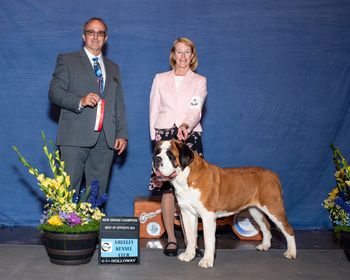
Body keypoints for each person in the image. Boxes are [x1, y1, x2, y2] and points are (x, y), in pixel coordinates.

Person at [49, 17, 128, 197]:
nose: (95, 36)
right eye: (91, 32)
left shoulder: (114, 68)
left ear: (105, 38)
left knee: (97, 194)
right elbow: (54, 93)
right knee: (67, 192)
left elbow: (118, 102)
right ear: (83, 36)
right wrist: (80, 100)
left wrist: (122, 133)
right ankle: (66, 224)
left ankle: (92, 225)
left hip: (105, 139)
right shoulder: (67, 60)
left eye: (100, 33)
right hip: (74, 136)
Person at [149, 37, 207, 257]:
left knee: (192, 190)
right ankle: (172, 240)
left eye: (187, 52)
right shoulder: (160, 78)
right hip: (163, 135)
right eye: (179, 52)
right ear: (173, 54)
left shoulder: (199, 81)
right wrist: (154, 137)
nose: (183, 56)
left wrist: (186, 125)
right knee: (168, 189)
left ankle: (190, 243)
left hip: (189, 137)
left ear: (192, 56)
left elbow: (196, 110)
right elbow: (153, 109)